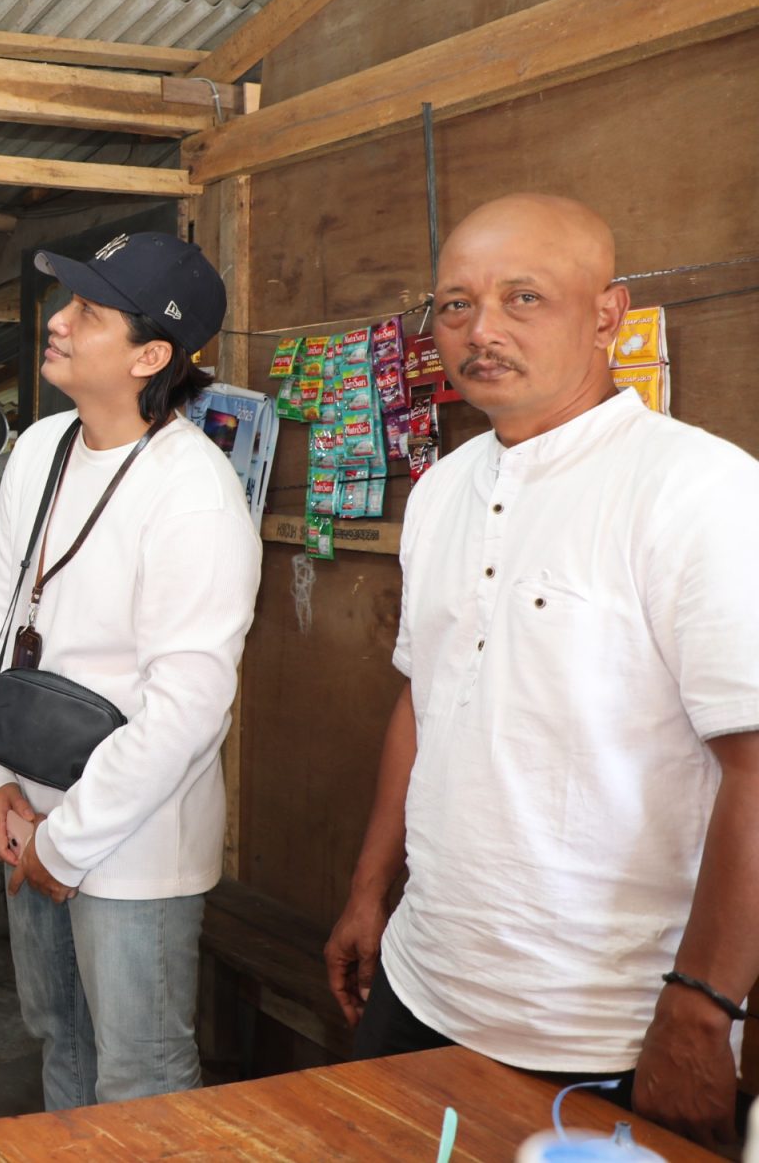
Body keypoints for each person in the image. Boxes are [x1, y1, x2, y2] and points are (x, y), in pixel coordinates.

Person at [324, 194, 758, 1153]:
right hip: (422, 980)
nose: (482, 330)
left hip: (606, 1027)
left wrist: (702, 1008)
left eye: (524, 298)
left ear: (607, 313)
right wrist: (369, 890)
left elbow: (756, 768)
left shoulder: (699, 489)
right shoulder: (442, 490)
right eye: (455, 304)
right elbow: (424, 699)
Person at [0, 231, 261, 1109]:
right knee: (62, 1045)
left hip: (133, 846)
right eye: (69, 303)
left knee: (141, 1078)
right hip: (26, 812)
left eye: (88, 312)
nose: (58, 322)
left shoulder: (194, 491)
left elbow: (186, 710)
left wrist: (67, 843)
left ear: (150, 356)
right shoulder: (40, 449)